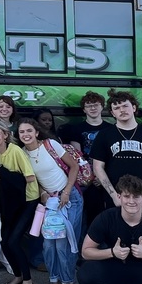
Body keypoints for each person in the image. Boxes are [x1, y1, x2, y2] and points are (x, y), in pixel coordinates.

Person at [17, 118, 82, 284]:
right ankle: (54, 280)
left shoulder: (50, 144)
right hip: (50, 203)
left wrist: (67, 191)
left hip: (70, 199)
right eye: (22, 132)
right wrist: (42, 193)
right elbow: (31, 179)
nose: (26, 135)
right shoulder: (22, 153)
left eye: (29, 130)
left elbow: (74, 166)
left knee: (64, 244)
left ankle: (68, 282)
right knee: (48, 244)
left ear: (36, 132)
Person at [90, 90, 142, 212]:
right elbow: (98, 167)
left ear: (134, 107)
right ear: (112, 113)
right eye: (116, 108)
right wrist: (114, 195)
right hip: (116, 199)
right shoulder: (104, 135)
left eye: (125, 106)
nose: (122, 110)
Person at [0, 121, 38, 284]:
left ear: (5, 135)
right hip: (9, 203)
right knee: (4, 240)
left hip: (27, 201)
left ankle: (28, 280)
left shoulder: (15, 151)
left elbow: (29, 178)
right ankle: (17, 275)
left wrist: (4, 174)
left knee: (14, 241)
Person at [60, 91, 110, 233]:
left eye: (96, 105)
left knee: (101, 214)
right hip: (84, 180)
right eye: (89, 106)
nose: (93, 108)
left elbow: (112, 156)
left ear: (102, 107)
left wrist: (101, 177)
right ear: (84, 109)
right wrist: (90, 177)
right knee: (80, 217)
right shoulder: (77, 129)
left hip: (105, 179)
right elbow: (77, 157)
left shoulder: (111, 129)